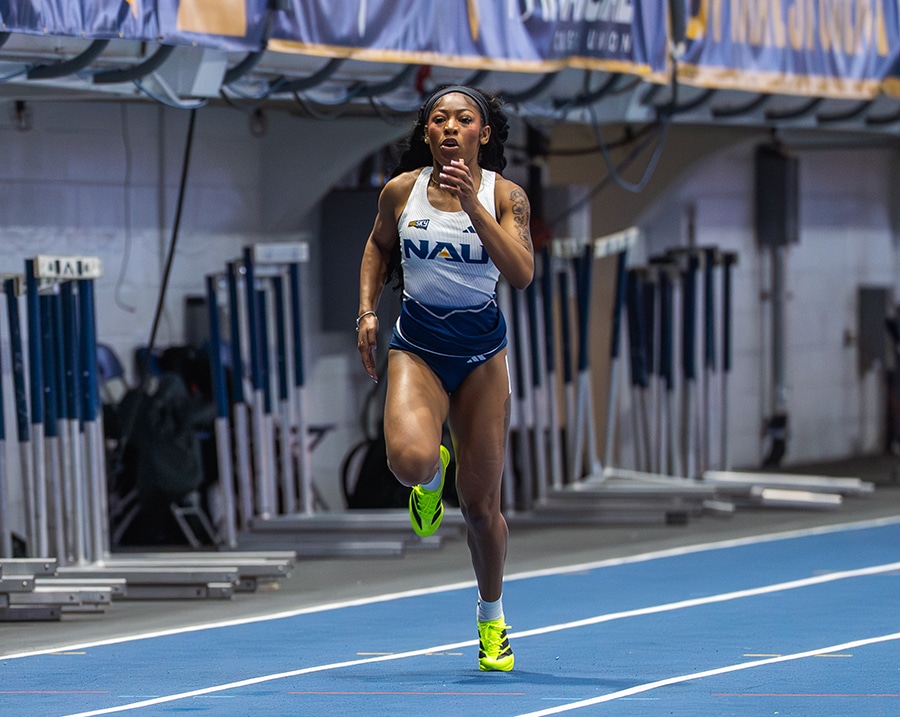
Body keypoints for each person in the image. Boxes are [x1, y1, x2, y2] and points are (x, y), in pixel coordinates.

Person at [356, 85, 534, 672]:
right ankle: (430, 477)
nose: (451, 127)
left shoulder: (505, 196)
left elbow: (521, 273)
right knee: (407, 462)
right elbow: (377, 246)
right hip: (419, 348)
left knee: (481, 509)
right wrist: (367, 311)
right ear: (428, 133)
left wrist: (473, 205)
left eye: (464, 119)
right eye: (440, 119)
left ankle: (492, 619)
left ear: (483, 133)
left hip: (481, 356)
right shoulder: (401, 191)